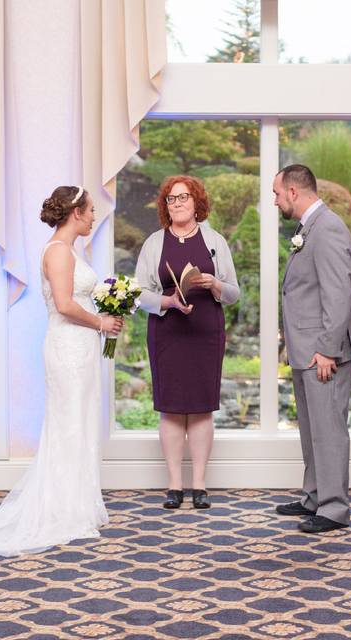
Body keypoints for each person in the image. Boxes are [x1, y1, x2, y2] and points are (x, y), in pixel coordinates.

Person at [0, 186, 122, 555]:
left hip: (79, 346)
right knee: (68, 424)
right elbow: (64, 304)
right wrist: (100, 322)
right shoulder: (59, 252)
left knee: (80, 422)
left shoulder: (67, 250)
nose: (95, 217)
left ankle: (77, 504)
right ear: (76, 212)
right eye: (91, 210)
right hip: (68, 344)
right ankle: (63, 510)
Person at [135, 175, 240, 510]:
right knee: (170, 407)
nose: (177, 203)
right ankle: (174, 486)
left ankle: (199, 486)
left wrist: (215, 285)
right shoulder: (154, 242)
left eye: (183, 197)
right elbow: (139, 293)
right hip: (168, 332)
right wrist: (168, 303)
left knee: (200, 408)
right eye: (171, 199)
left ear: (197, 202)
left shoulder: (215, 241)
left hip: (206, 331)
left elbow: (235, 293)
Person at [272, 164, 351, 534]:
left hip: (323, 352)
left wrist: (327, 349)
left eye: (277, 193)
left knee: (328, 430)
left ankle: (334, 508)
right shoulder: (308, 228)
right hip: (306, 348)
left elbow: (338, 294)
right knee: (312, 429)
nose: (275, 201)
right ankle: (314, 495)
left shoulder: (328, 228)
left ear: (294, 191)